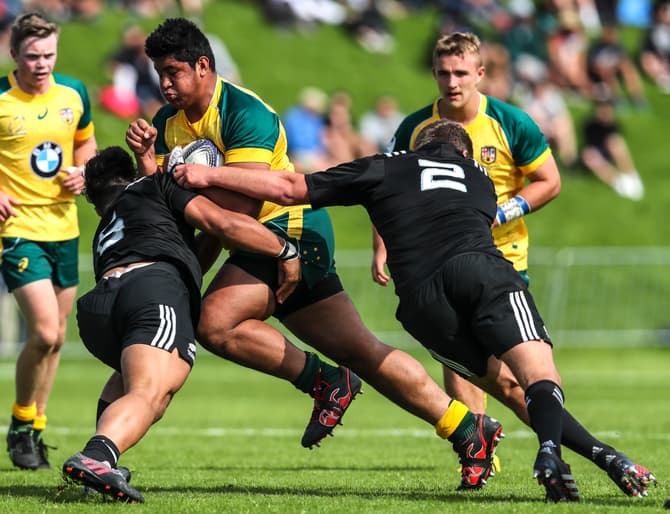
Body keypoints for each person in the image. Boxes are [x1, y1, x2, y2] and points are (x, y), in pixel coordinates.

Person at [174, 118, 658, 503]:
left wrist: (206, 174)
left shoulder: (387, 165)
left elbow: (290, 188)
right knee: (538, 380)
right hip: (480, 271)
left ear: (418, 148)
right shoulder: (481, 180)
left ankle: (609, 458)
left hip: (424, 303)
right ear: (464, 154)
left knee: (504, 385)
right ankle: (549, 453)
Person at [124, 17, 504, 491]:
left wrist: (191, 268)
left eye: (172, 72)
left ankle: (325, 382)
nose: (163, 84)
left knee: (215, 323)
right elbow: (174, 202)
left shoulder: (245, 113)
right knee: (362, 351)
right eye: (158, 72)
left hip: (291, 229)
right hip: (254, 236)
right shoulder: (165, 124)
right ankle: (468, 429)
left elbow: (236, 210)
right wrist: (146, 164)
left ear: (203, 66)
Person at [61, 146, 301, 504]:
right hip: (150, 290)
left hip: (98, 309)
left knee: (140, 387)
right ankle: (98, 456)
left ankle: (102, 459)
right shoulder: (155, 186)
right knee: (149, 391)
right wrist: (285, 250)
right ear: (132, 177)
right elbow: (223, 224)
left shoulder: (106, 224)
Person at [372, 31, 562, 470]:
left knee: (511, 373)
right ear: (434, 73)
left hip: (501, 260)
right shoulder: (415, 128)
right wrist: (381, 245)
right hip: (439, 258)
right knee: (460, 359)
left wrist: (505, 209)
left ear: (480, 73)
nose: (452, 81)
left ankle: (553, 442)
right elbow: (387, 186)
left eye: (461, 72)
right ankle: (477, 448)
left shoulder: (511, 122)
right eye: (443, 73)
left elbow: (549, 180)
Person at [0, 11, 96, 470]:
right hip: (16, 230)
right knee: (44, 330)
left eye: (49, 55)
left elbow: (85, 142)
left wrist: (82, 171)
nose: (42, 64)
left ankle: (35, 428)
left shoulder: (74, 93)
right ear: (13, 54)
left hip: (64, 228)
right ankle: (20, 422)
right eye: (32, 56)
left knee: (56, 339)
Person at [580, 96, 644, 200]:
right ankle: (619, 184)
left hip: (609, 152)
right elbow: (588, 145)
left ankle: (631, 176)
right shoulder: (589, 124)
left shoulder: (613, 124)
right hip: (596, 153)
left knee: (616, 143)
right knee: (589, 156)